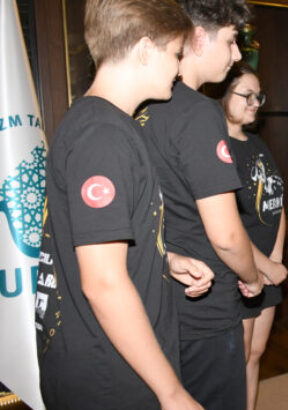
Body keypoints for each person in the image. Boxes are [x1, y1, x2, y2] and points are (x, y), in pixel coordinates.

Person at [35, 1, 212, 408]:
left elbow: (92, 244)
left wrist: (162, 259)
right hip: (110, 376)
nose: (179, 68)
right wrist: (172, 393)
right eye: (175, 54)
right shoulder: (103, 137)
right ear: (145, 49)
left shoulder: (100, 124)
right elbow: (103, 283)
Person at [135, 1, 285, 408]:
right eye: (232, 41)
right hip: (205, 305)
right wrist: (254, 277)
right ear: (199, 37)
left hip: (154, 296)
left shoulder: (141, 107)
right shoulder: (199, 112)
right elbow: (225, 234)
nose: (237, 55)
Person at [221, 63, 287, 410]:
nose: (255, 102)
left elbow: (278, 202)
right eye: (246, 94)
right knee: (239, 356)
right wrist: (261, 266)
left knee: (256, 353)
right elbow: (223, 222)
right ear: (222, 95)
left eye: (257, 95)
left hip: (267, 266)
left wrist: (274, 259)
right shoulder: (217, 147)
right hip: (240, 269)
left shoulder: (258, 144)